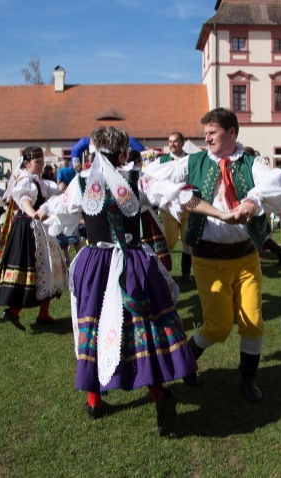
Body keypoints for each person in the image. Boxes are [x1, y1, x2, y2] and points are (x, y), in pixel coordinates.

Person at [38, 126, 196, 433]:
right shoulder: (137, 178)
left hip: (95, 264)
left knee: (96, 326)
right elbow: (168, 193)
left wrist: (37, 213)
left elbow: (60, 211)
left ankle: (95, 401)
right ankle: (158, 393)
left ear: (95, 149)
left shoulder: (82, 181)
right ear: (123, 150)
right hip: (132, 261)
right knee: (144, 325)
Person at [145, 107, 281, 401]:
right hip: (207, 258)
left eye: (213, 133)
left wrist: (254, 200)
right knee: (218, 326)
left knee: (252, 321)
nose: (207, 138)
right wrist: (179, 196)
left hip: (246, 257)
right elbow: (151, 177)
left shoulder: (251, 162)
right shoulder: (193, 162)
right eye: (205, 133)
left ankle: (248, 379)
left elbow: (279, 182)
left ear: (232, 133)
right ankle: (184, 362)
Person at [0, 146, 67, 331]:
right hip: (28, 228)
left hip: (37, 227)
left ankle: (42, 314)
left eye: (42, 161)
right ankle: (13, 310)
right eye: (38, 162)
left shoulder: (37, 180)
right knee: (33, 270)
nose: (41, 165)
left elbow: (52, 193)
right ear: (27, 163)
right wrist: (33, 213)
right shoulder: (25, 180)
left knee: (48, 268)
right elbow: (23, 199)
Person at [156, 132, 194, 282]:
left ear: (182, 143)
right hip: (169, 208)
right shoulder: (162, 160)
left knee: (188, 241)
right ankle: (163, 274)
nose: (172, 144)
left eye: (176, 141)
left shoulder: (191, 160)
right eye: (170, 141)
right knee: (169, 242)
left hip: (187, 206)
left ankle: (186, 273)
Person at [55, 157, 81, 266]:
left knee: (63, 227)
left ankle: (67, 257)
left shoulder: (60, 171)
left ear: (62, 164)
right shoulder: (72, 171)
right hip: (73, 197)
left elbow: (59, 183)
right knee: (73, 227)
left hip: (63, 197)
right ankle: (78, 255)